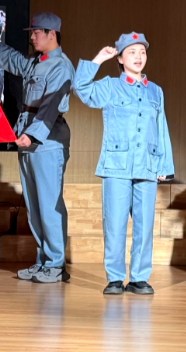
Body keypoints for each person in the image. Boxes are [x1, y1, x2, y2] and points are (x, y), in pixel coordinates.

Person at [0, 13, 75, 284]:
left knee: (49, 205)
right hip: (27, 137)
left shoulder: (61, 66)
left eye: (36, 32)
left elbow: (51, 106)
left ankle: (55, 264)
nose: (32, 37)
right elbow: (10, 58)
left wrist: (33, 135)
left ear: (52, 34)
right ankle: (44, 261)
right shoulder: (37, 61)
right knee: (35, 206)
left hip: (46, 141)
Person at [74, 33, 174, 296]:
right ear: (119, 58)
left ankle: (139, 278)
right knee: (115, 225)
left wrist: (164, 166)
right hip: (116, 166)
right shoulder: (109, 86)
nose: (139, 57)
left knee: (144, 225)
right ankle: (115, 278)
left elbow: (161, 128)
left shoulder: (155, 91)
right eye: (132, 52)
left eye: (142, 52)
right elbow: (81, 88)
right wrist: (98, 60)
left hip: (147, 165)